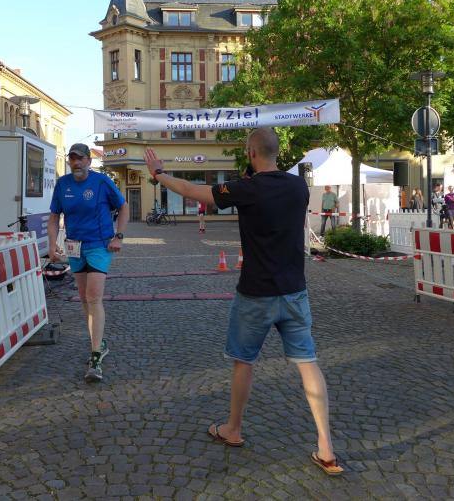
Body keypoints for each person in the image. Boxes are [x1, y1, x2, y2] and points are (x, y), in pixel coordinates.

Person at [143, 128, 342, 475]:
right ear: (277, 151)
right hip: (294, 291)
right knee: (308, 363)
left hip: (255, 293)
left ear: (251, 152)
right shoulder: (299, 186)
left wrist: (159, 174)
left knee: (243, 362)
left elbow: (191, 190)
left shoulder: (245, 188)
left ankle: (233, 429)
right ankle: (326, 447)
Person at [47, 144, 129, 382]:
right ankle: (98, 342)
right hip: (74, 246)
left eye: (80, 159)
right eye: (72, 159)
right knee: (84, 298)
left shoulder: (101, 182)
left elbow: (123, 207)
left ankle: (95, 357)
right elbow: (54, 217)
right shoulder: (62, 184)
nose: (76, 163)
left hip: (99, 245)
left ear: (88, 161)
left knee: (93, 297)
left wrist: (119, 236)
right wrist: (52, 245)